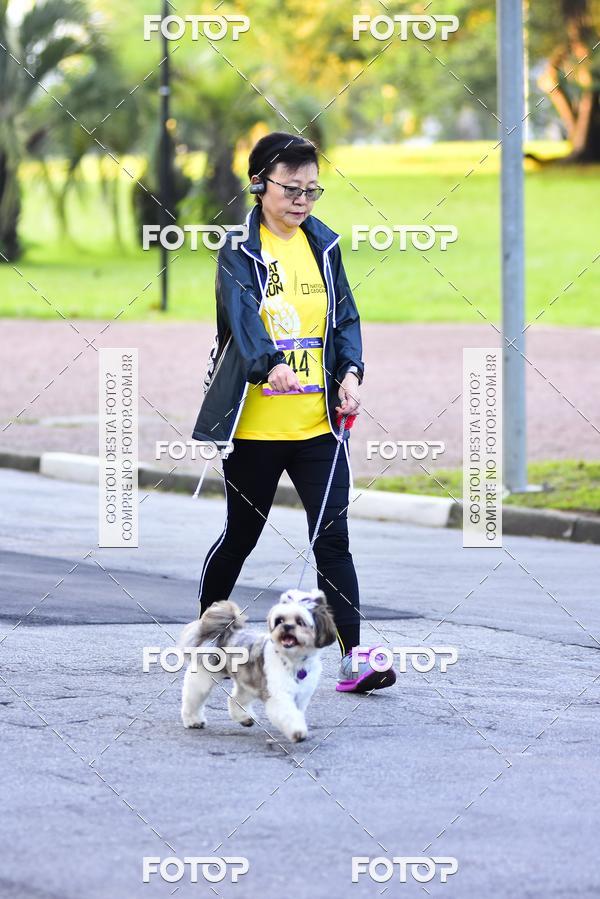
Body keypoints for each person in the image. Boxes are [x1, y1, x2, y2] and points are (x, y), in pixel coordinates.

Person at [191, 131, 395, 694]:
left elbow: (346, 318)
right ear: (260, 186)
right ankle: (209, 643)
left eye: (312, 189)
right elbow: (243, 318)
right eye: (291, 188)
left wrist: (351, 373)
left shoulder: (323, 246)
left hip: (318, 427)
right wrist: (267, 366)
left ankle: (356, 658)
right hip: (254, 427)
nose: (302, 200)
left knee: (333, 539)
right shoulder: (238, 250)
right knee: (241, 535)